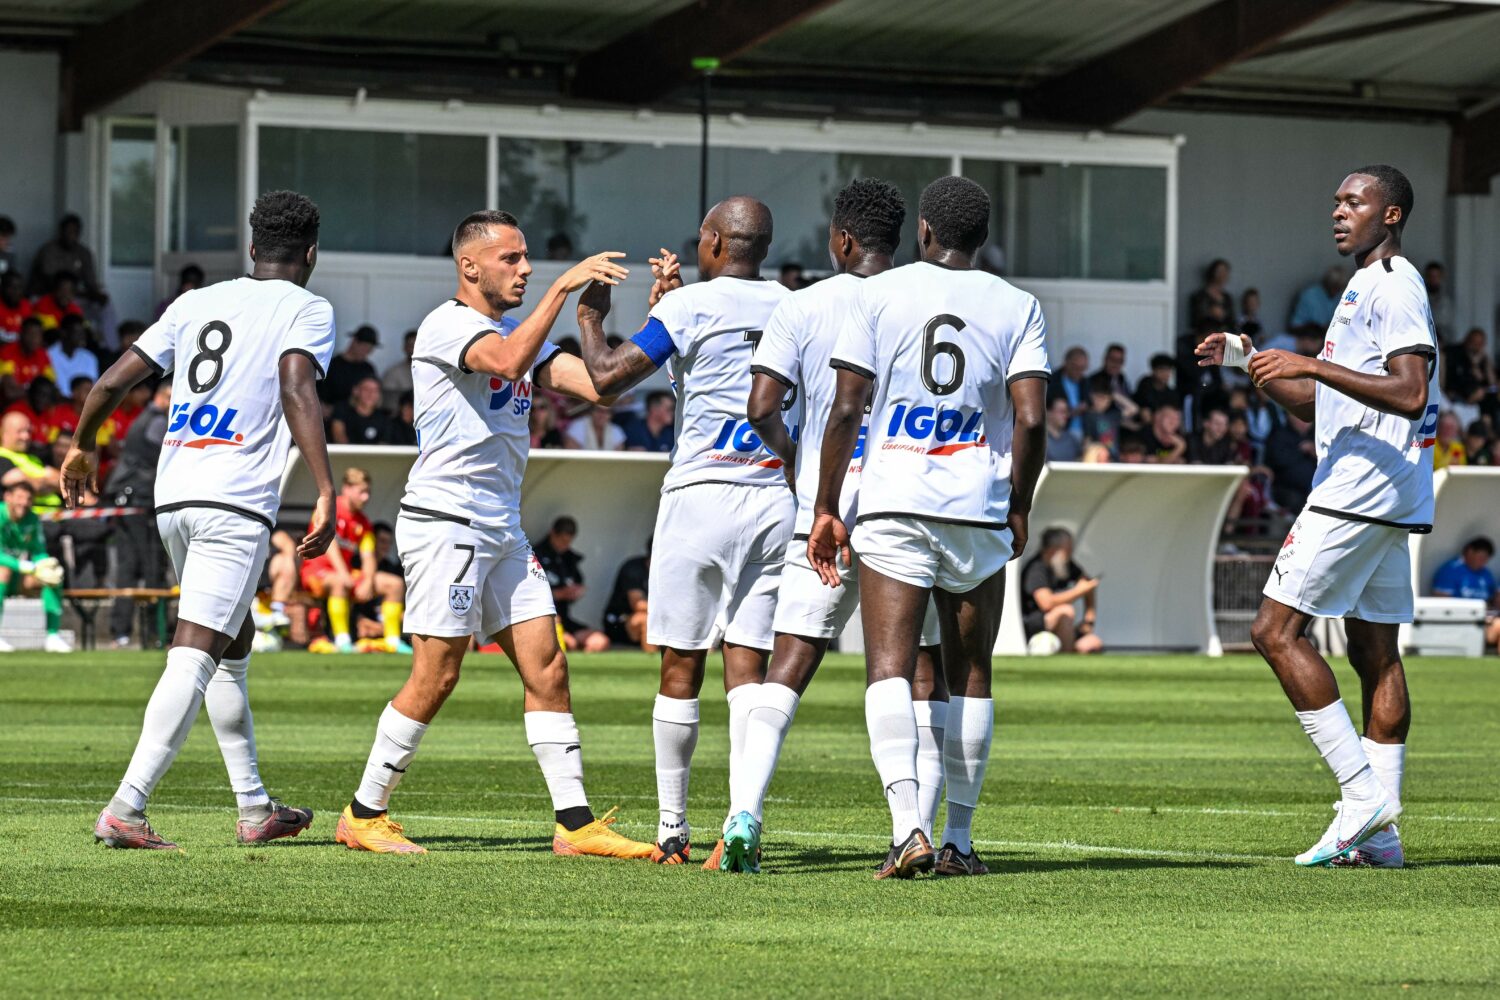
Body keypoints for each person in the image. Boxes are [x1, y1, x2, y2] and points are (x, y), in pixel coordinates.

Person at [337, 209, 651, 860]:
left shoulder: (516, 331)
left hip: (500, 527)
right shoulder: (449, 325)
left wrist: (644, 320)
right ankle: (363, 814)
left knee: (549, 667)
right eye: (512, 259)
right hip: (446, 522)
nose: (527, 269)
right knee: (438, 673)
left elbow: (602, 386)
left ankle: (575, 823)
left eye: (528, 258)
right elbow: (507, 361)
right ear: (469, 266)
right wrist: (562, 292)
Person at [64, 188, 340, 850]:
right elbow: (296, 383)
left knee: (231, 647)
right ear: (311, 253)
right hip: (234, 499)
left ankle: (255, 807)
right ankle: (126, 808)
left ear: (251, 248)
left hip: (176, 493)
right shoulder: (308, 307)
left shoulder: (194, 303)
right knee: (194, 651)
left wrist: (82, 443)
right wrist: (325, 488)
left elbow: (110, 383)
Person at [1197, 164, 1439, 869]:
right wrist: (1253, 363)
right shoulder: (1363, 286)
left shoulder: (1393, 285)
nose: (1338, 211)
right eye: (1335, 200)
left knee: (1274, 630)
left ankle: (1361, 799)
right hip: (1390, 488)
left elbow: (1410, 389)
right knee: (1375, 653)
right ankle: (1382, 839)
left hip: (1359, 486)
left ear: (1390, 215)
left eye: (1354, 201)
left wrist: (1311, 363)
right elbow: (1315, 403)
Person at [811, 174, 1049, 879]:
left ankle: (904, 828)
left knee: (888, 668)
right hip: (976, 503)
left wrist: (828, 506)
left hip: (894, 500)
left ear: (924, 232)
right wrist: (1020, 502)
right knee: (971, 673)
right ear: (980, 238)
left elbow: (846, 407)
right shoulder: (1018, 303)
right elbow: (1032, 419)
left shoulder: (877, 294)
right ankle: (961, 842)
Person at [576, 197, 794, 870]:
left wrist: (589, 319)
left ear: (712, 243)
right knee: (749, 670)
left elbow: (607, 380)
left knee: (681, 661)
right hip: (774, 497)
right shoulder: (796, 305)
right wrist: (665, 309)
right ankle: (742, 821)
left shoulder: (691, 307)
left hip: (702, 498)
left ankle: (673, 830)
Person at [739, 179, 949, 873]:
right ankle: (912, 824)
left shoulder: (802, 306)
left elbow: (763, 405)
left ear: (843, 240)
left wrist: (803, 466)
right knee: (916, 669)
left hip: (823, 508)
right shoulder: (921, 300)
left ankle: (744, 816)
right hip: (904, 503)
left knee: (789, 667)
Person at [300, 467, 408, 654]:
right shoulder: (328, 509)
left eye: (368, 492)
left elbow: (368, 556)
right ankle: (343, 641)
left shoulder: (362, 522)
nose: (366, 497)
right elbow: (329, 547)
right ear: (347, 488)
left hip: (346, 574)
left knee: (395, 584)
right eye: (362, 492)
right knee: (339, 582)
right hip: (315, 572)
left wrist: (368, 580)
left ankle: (393, 641)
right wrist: (344, 574)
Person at [104, 378, 172, 647]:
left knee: (128, 567)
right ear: (166, 398)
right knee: (153, 566)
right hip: (141, 503)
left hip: (127, 499)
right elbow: (168, 454)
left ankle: (121, 633)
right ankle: (157, 633)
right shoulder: (157, 422)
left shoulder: (144, 418)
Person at [0, 480, 68, 652]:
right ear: (7, 497)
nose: (24, 503)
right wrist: (25, 566)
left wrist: (45, 564)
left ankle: (52, 636)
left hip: (14, 575)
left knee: (51, 578)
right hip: (7, 572)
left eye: (28, 498)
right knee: (2, 572)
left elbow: (38, 550)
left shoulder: (31, 519)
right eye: (19, 497)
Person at [532, 515, 608, 652]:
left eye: (568, 541)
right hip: (543, 618)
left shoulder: (569, 558)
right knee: (568, 643)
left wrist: (577, 591)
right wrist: (558, 594)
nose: (564, 545)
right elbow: (529, 593)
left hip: (565, 618)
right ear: (552, 533)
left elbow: (577, 582)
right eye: (561, 540)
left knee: (599, 642)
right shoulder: (534, 556)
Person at [1020, 527, 1102, 654]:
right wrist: (1079, 591)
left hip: (1061, 624)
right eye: (1068, 549)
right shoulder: (1036, 569)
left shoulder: (1065, 565)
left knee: (1093, 643)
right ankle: (1066, 656)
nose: (1071, 553)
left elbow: (1087, 584)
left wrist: (1089, 619)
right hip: (1036, 624)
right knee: (1065, 611)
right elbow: (1046, 603)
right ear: (1053, 550)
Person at [1431, 536, 1500, 650]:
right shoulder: (1451, 570)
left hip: (1488, 619)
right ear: (1470, 551)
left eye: (1486, 559)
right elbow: (1441, 601)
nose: (1483, 562)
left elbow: (1493, 598)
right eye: (1481, 557)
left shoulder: (1485, 573)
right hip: (1463, 622)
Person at [28, 214, 106, 304]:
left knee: (104, 301)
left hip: (73, 296)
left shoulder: (84, 253)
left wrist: (96, 294)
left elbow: (90, 281)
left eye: (75, 232)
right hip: (46, 295)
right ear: (61, 232)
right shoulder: (48, 250)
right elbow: (51, 283)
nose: (71, 235)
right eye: (68, 231)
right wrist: (80, 293)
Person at [0, 411, 61, 504]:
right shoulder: (2, 456)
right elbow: (26, 484)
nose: (26, 436)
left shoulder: (33, 458)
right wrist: (47, 481)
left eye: (28, 431)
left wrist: (33, 480)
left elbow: (61, 480)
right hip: (30, 515)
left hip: (56, 514)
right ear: (4, 432)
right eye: (20, 431)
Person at [602, 539, 652, 652]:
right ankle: (652, 666)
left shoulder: (672, 571)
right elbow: (638, 605)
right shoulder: (633, 568)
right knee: (646, 620)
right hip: (619, 620)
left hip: (657, 617)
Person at [319, 325, 380, 404]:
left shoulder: (368, 368)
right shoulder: (331, 365)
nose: (366, 352)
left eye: (369, 349)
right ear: (354, 342)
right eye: (364, 347)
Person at [1, 316, 56, 401]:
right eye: (31, 334)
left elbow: (51, 386)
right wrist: (37, 393)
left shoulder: (43, 355)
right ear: (21, 334)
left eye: (38, 334)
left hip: (34, 404)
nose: (35, 339)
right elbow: (9, 392)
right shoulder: (7, 353)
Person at [330, 376, 393, 444]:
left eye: (375, 390)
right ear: (356, 390)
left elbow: (384, 446)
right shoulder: (342, 410)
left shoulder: (384, 418)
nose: (371, 394)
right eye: (366, 389)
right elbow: (339, 438)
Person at [1288, 265, 1346, 337]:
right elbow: (1295, 326)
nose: (1336, 291)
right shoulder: (1310, 295)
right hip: (1306, 336)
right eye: (1335, 287)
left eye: (1339, 288)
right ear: (1327, 283)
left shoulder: (1338, 296)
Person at [48, 316, 99, 389]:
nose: (82, 336)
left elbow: (92, 387)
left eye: (83, 332)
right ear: (64, 333)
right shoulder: (49, 355)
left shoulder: (89, 357)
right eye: (77, 332)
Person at [1048, 346, 1088, 436]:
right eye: (1076, 367)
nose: (1079, 372)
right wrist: (1071, 412)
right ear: (1066, 363)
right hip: (1059, 433)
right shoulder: (1052, 381)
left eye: (1083, 368)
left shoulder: (1085, 382)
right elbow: (1048, 409)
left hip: (1084, 432)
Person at [1133, 352, 1180, 425]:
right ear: (1153, 370)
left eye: (1168, 370)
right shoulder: (1145, 384)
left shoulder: (1171, 393)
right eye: (1162, 370)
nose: (1165, 374)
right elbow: (1145, 414)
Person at [1188, 258, 1233, 330]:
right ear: (1212, 272)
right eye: (1220, 271)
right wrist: (1210, 313)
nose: (1223, 275)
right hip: (1205, 337)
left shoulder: (1227, 297)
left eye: (1225, 272)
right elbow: (1194, 322)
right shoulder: (1199, 296)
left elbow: (1232, 322)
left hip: (1223, 337)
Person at [380, 329, 417, 411]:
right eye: (411, 346)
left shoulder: (436, 373)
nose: (415, 350)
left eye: (419, 346)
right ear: (405, 348)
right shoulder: (393, 373)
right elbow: (388, 406)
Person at [1045, 394, 1083, 462]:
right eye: (1061, 411)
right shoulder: (1040, 440)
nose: (1065, 415)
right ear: (1048, 412)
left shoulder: (1072, 439)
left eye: (1066, 411)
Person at [0, 271, 31, 343]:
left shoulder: (26, 306)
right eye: (12, 287)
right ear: (2, 288)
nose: (16, 291)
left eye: (19, 287)